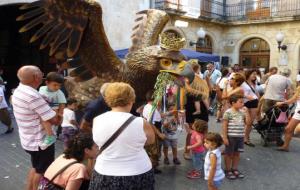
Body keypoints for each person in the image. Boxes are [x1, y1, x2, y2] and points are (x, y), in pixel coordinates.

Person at [89, 82, 155, 190]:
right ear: (131, 100)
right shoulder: (141, 122)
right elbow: (150, 141)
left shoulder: (97, 120)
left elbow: (98, 141)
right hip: (138, 171)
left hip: (104, 171)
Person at [11, 65, 60, 190]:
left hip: (29, 140)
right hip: (41, 142)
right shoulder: (33, 96)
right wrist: (62, 112)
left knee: (36, 167)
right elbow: (53, 120)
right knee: (42, 171)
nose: (43, 74)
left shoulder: (20, 90)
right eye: (41, 72)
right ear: (36, 77)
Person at [222, 94, 249, 180]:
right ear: (233, 103)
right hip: (231, 137)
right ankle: (228, 169)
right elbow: (224, 126)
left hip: (240, 137)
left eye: (243, 102)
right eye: (240, 102)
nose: (242, 104)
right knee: (229, 154)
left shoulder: (242, 112)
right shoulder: (228, 112)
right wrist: (225, 137)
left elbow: (248, 123)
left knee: (237, 153)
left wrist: (247, 113)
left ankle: (234, 168)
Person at [39, 72, 66, 149]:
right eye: (55, 85)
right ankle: (48, 136)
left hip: (53, 111)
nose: (57, 87)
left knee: (46, 121)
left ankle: (50, 136)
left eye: (59, 85)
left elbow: (62, 104)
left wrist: (60, 115)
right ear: (47, 83)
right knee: (44, 123)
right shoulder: (42, 89)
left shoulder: (59, 93)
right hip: (44, 110)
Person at [142, 90, 166, 174]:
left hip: (152, 131)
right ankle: (152, 168)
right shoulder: (151, 109)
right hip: (154, 132)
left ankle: (152, 166)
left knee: (153, 150)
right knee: (154, 151)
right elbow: (151, 123)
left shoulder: (147, 106)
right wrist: (159, 134)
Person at [276, 86, 300, 152]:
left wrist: (282, 103)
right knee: (288, 129)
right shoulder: (299, 88)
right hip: (298, 113)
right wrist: (282, 103)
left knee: (289, 129)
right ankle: (285, 146)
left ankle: (285, 146)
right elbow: (292, 100)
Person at [241, 69, 260, 147]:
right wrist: (247, 96)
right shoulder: (243, 83)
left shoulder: (254, 83)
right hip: (245, 103)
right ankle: (244, 137)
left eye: (255, 74)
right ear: (248, 74)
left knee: (250, 122)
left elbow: (255, 92)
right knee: (246, 122)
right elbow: (240, 92)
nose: (255, 76)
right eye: (253, 74)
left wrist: (258, 99)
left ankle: (246, 138)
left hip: (253, 102)